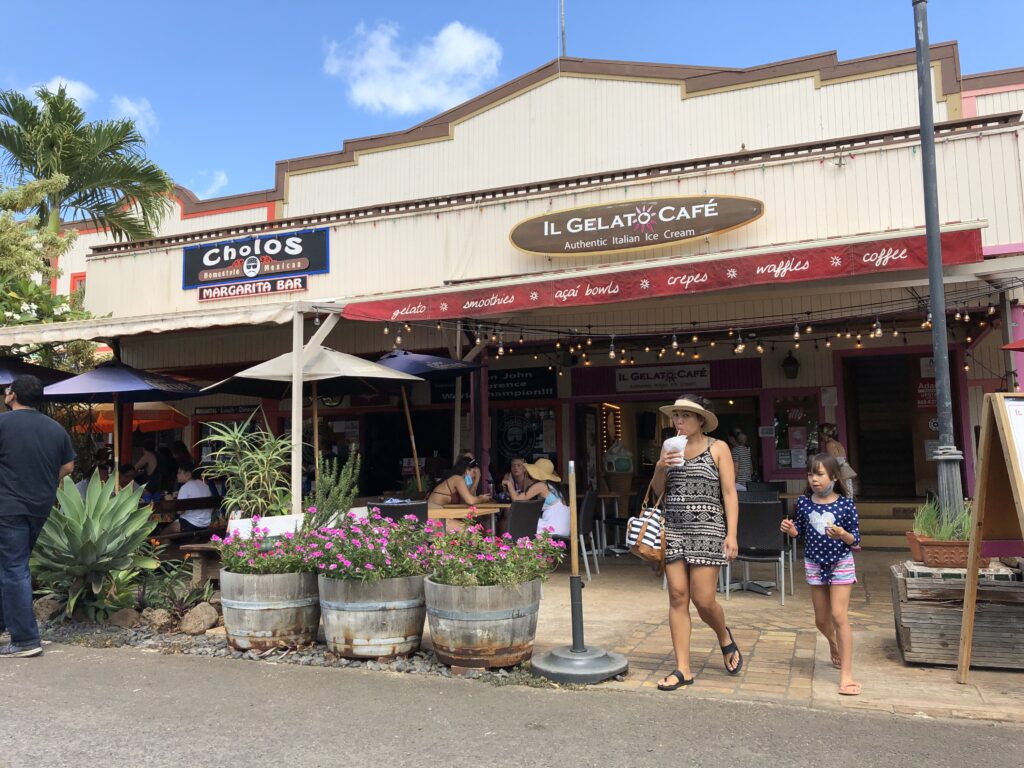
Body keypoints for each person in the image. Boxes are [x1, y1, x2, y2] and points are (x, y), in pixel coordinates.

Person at [651, 395, 741, 690]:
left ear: (701, 420)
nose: (679, 421)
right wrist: (661, 466)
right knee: (677, 596)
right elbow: (656, 490)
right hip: (674, 528)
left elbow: (729, 493)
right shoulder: (669, 447)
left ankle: (723, 635)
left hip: (708, 530)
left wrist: (732, 534)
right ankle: (683, 669)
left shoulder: (718, 448)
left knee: (703, 600)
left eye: (686, 416)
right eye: (676, 416)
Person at [0, 376, 76, 658]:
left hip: (7, 507)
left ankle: (25, 639)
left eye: (7, 391)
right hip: (39, 507)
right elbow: (67, 465)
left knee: (13, 567)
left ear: (13, 396)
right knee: (10, 565)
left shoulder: (3, 423)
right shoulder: (55, 429)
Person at [781, 453, 861, 696]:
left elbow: (855, 539)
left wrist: (842, 535)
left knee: (839, 616)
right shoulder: (804, 503)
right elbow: (801, 533)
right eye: (810, 474)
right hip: (814, 563)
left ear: (834, 477)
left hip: (841, 563)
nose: (814, 479)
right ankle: (833, 643)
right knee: (821, 620)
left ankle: (846, 676)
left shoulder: (846, 505)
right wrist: (791, 530)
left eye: (819, 474)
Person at [503, 458, 570, 537]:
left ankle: (514, 547)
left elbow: (516, 499)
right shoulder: (554, 486)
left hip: (554, 526)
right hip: (563, 527)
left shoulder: (541, 486)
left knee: (519, 523)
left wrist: (508, 483)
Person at [162, 459, 214, 534]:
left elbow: (179, 511)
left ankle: (170, 546)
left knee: (163, 534)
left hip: (189, 524)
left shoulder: (185, 487)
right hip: (205, 524)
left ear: (188, 474)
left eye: (179, 473)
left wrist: (171, 501)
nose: (177, 475)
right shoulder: (205, 485)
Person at [427, 456, 492, 507]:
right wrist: (482, 498)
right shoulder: (457, 479)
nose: (474, 476)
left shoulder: (461, 480)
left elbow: (466, 500)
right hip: (432, 512)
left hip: (440, 512)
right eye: (474, 472)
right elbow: (471, 501)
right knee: (469, 524)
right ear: (467, 470)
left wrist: (476, 480)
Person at [819, 423, 857, 497]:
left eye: (821, 433)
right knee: (848, 491)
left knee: (836, 491)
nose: (820, 436)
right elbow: (843, 457)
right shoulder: (838, 443)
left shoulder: (829, 444)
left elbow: (832, 460)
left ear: (824, 434)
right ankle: (848, 506)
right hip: (846, 468)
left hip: (838, 469)